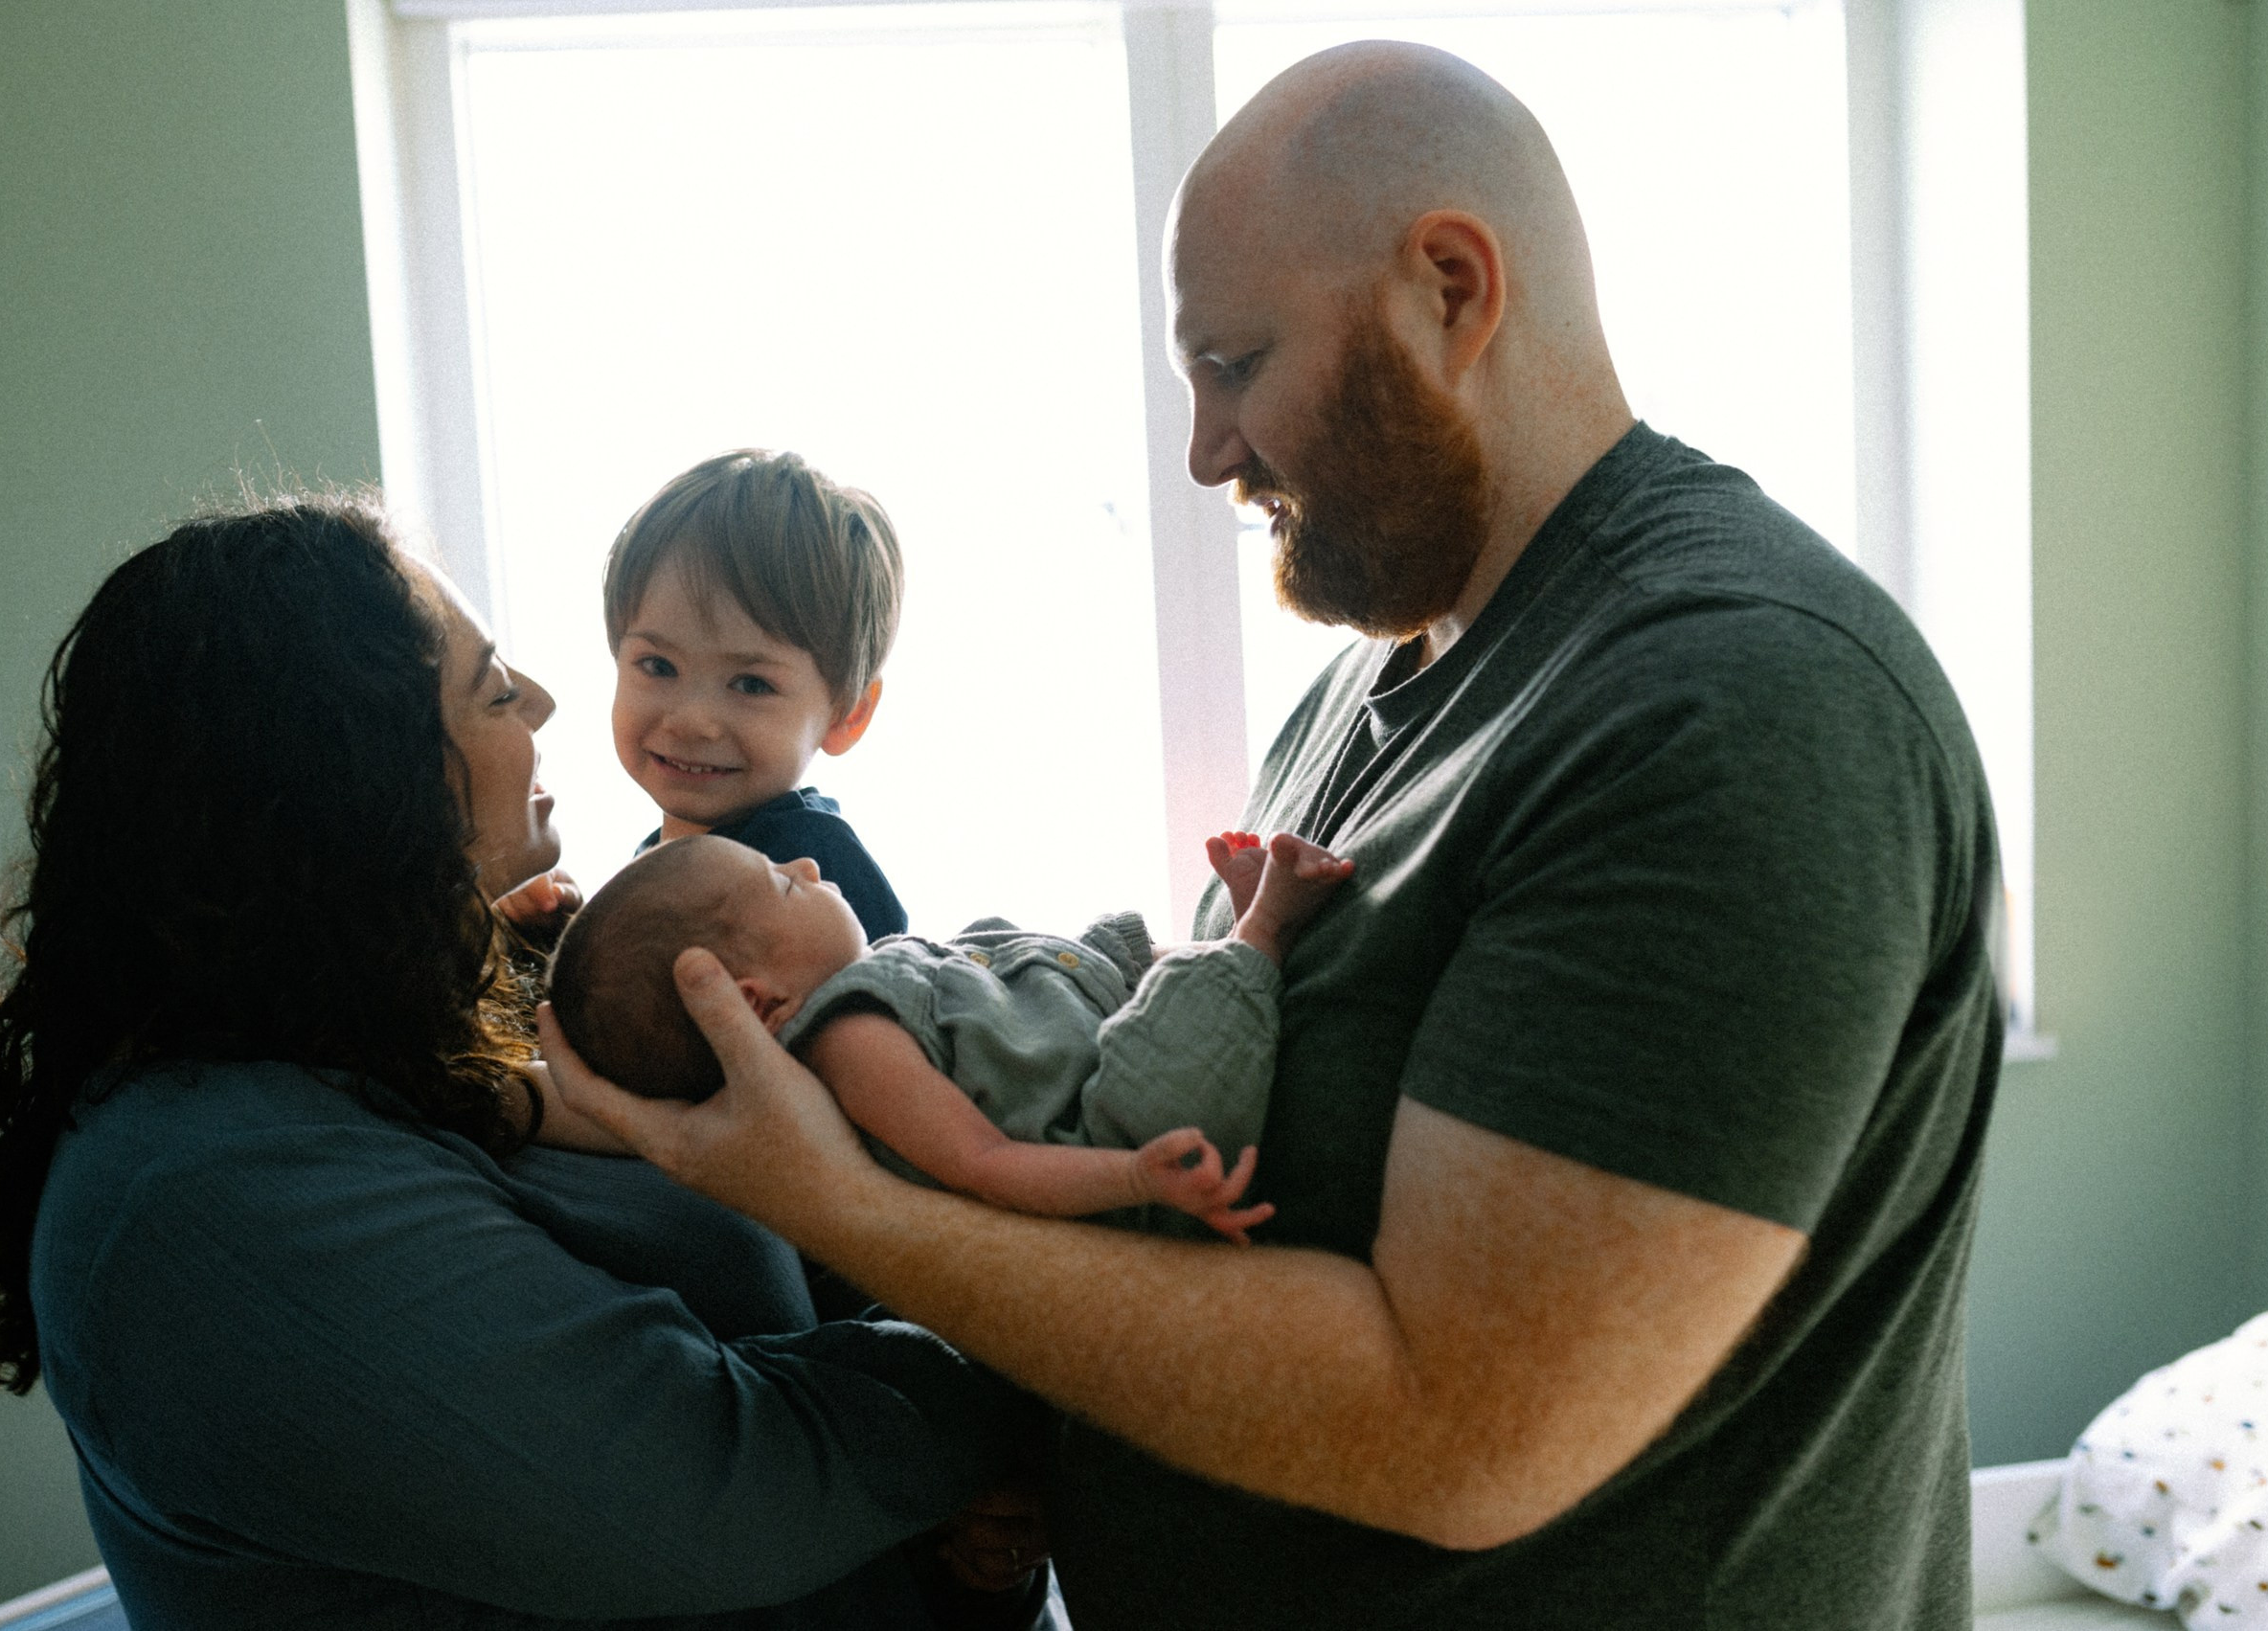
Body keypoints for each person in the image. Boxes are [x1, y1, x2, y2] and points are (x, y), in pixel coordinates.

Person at [539, 40, 2004, 1631]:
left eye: (1237, 363)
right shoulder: (1379, 675)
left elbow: (1457, 1424)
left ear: (1450, 286)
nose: (1205, 450)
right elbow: (1228, 1180)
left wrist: (841, 1199)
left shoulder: (1737, 701)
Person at [0, 491, 1051, 1629]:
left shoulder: (468, 996)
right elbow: (704, 1494)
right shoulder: (204, 1192)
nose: (555, 701)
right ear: (354, 775)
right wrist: (998, 1388)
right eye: (496, 690)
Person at [547, 829, 1350, 1240]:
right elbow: (983, 1162)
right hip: (1104, 1128)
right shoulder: (850, 1042)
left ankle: (1231, 939)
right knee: (1174, 1066)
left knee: (1061, 950)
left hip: (1083, 1016)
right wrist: (1135, 1175)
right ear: (758, 1003)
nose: (810, 867)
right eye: (782, 885)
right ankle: (1265, 932)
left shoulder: (878, 984)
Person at [610, 448, 909, 940]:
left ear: (847, 714)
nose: (691, 721)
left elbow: (883, 985)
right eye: (659, 666)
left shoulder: (812, 864)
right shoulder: (656, 861)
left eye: (752, 684)